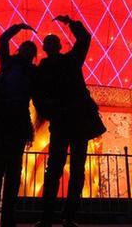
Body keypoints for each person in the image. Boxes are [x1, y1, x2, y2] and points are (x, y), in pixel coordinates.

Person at [34, 15, 104, 227]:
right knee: (61, 169)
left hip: (72, 121)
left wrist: (71, 22)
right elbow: (37, 96)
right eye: (49, 42)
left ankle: (63, 216)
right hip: (68, 121)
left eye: (53, 42)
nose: (52, 45)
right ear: (46, 48)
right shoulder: (52, 66)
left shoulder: (65, 62)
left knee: (70, 169)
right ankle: (57, 216)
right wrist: (50, 111)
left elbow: (84, 39)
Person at [0, 23, 37, 227]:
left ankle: (8, 213)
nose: (27, 52)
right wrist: (18, 27)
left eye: (31, 51)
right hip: (2, 120)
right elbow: (2, 40)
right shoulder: (8, 63)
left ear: (33, 56)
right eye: (25, 48)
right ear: (19, 50)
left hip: (18, 123)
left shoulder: (32, 72)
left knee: (14, 171)